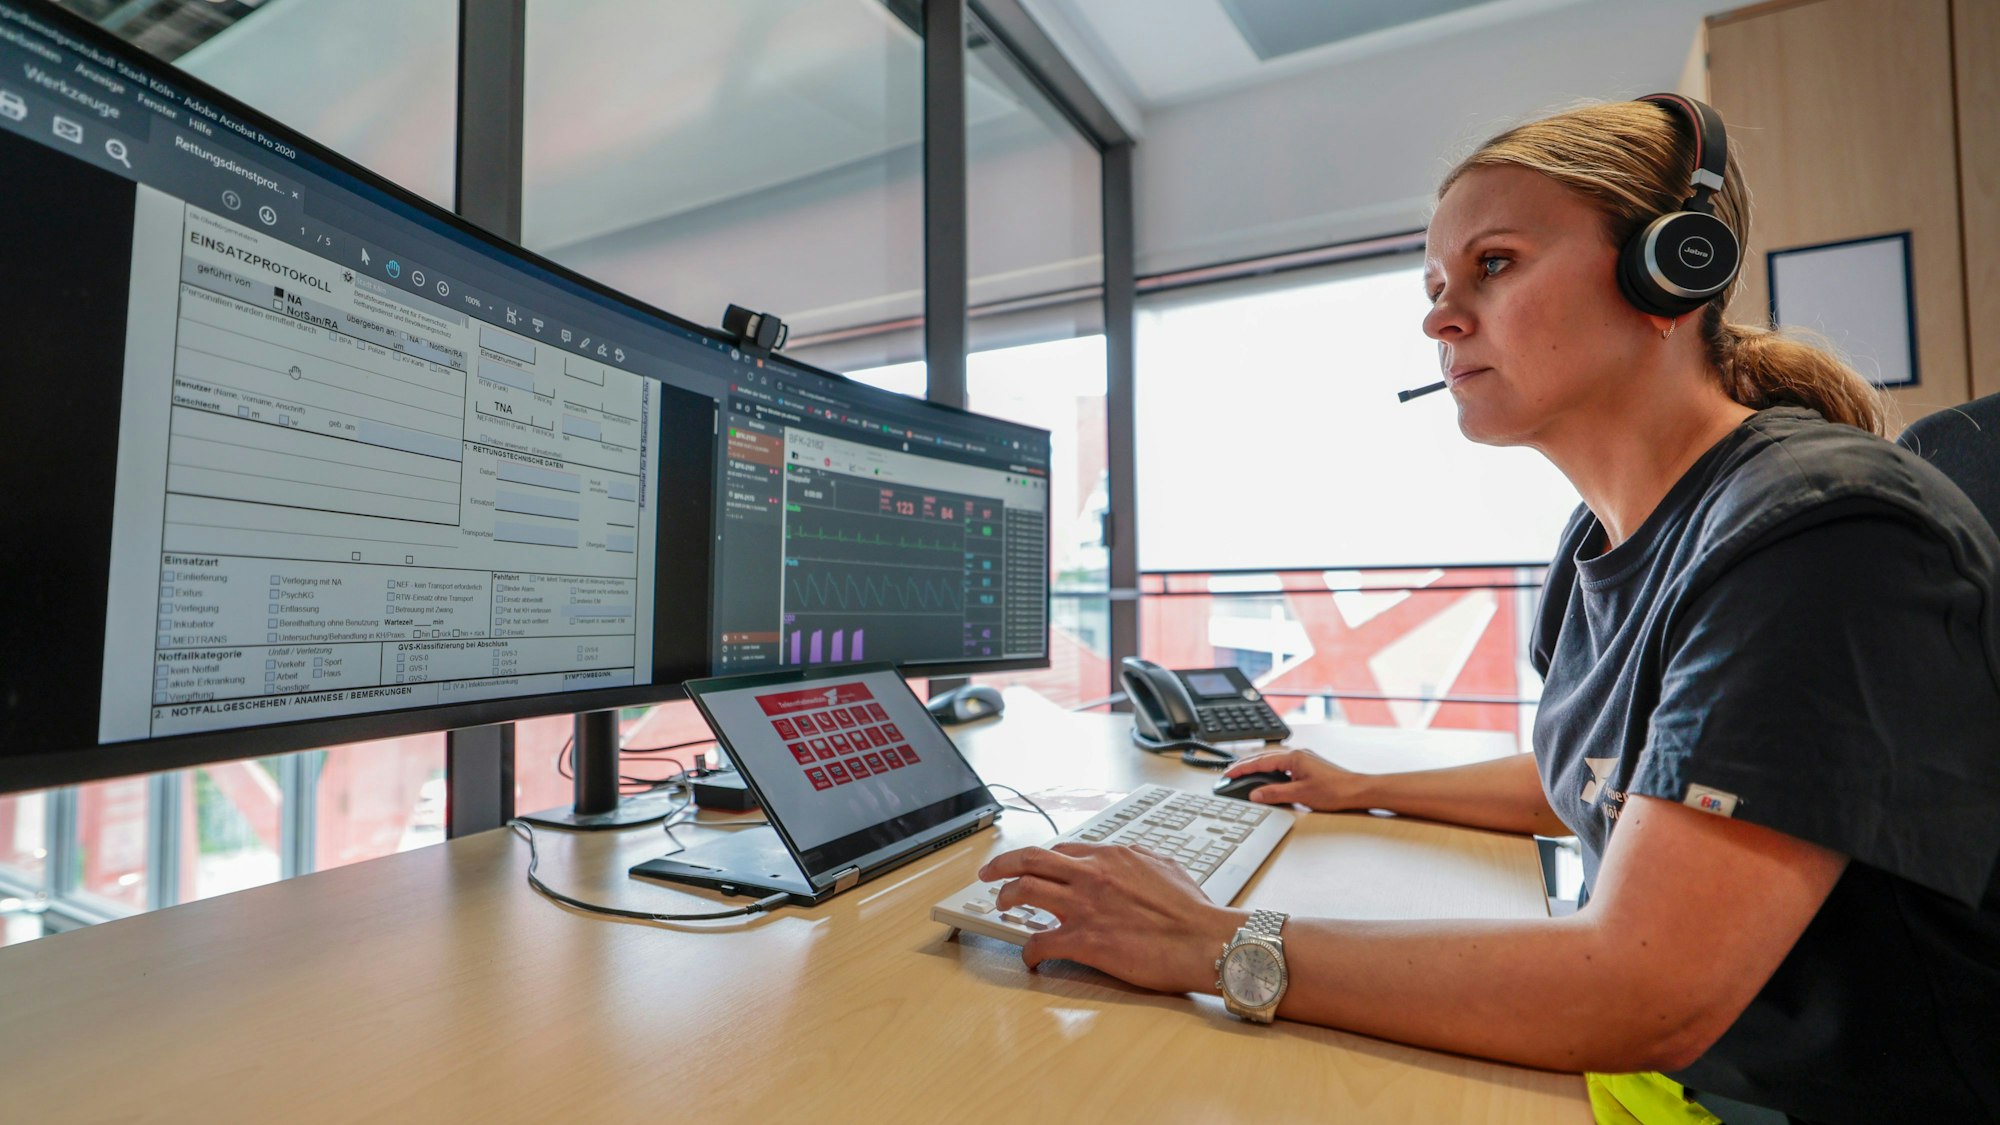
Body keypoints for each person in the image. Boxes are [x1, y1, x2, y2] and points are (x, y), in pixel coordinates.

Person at [977, 97, 2000, 1125]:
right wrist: (1364, 784)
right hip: (1702, 1079)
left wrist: (1205, 942)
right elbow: (1620, 783)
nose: (1437, 317)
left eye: (1493, 265)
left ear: (1669, 273)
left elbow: (1643, 992)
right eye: (1431, 287)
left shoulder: (1819, 538)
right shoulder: (1597, 541)